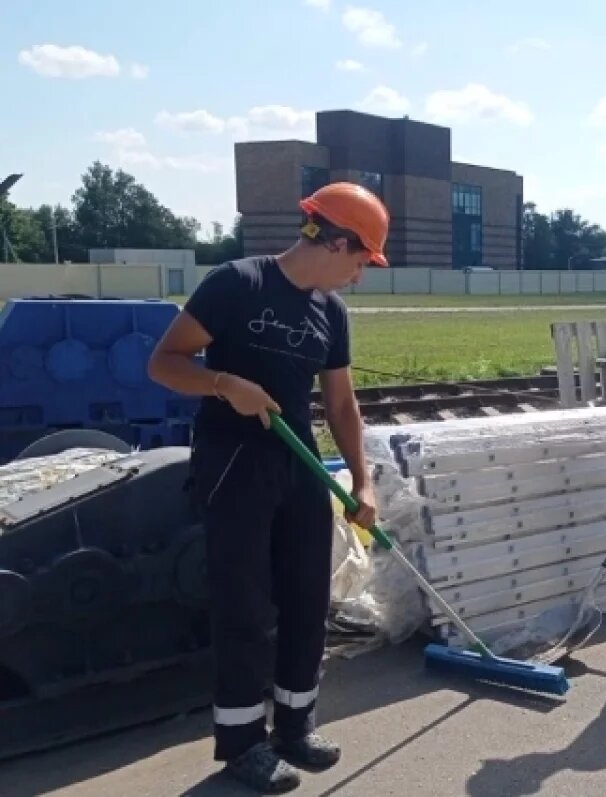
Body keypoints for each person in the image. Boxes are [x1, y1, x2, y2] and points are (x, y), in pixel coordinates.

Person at [148, 182, 386, 793]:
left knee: (308, 598)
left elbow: (342, 404)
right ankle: (243, 742)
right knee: (245, 607)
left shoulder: (328, 312)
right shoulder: (238, 284)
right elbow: (165, 362)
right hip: (234, 464)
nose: (361, 274)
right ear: (336, 241)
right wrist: (225, 383)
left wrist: (363, 481)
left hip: (298, 463)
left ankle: (296, 723)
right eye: (361, 260)